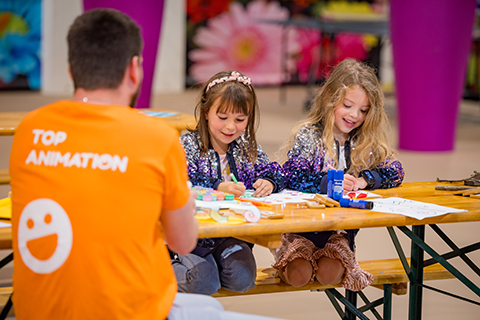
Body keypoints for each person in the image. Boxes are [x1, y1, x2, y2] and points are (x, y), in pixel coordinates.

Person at [9, 9, 284, 320]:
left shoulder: (31, 130)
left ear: (71, 71)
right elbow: (183, 239)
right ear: (134, 70)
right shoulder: (156, 137)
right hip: (129, 308)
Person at [273, 58, 405, 291]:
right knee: (299, 275)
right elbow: (291, 176)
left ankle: (328, 264)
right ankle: (283, 255)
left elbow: (396, 170)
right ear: (329, 98)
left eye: (363, 110)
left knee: (330, 274)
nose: (354, 115)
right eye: (347, 105)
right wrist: (327, 182)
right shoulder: (310, 135)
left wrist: (366, 179)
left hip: (340, 233)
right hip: (303, 231)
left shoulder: (365, 141)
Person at [174, 70, 285, 295]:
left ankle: (213, 265)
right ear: (206, 112)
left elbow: (276, 171)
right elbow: (180, 179)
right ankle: (168, 263)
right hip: (193, 236)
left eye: (240, 119)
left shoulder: (245, 146)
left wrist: (269, 181)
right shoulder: (189, 145)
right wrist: (217, 187)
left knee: (243, 279)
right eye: (222, 118)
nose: (230, 127)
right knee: (203, 283)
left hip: (231, 235)